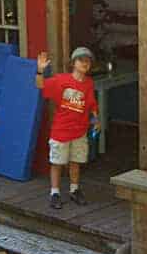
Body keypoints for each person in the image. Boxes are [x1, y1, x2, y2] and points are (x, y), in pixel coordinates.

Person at [36, 47, 100, 209]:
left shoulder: (89, 83)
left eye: (87, 61)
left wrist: (96, 118)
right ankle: (55, 193)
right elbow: (40, 85)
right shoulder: (61, 80)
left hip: (80, 130)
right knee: (57, 163)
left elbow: (91, 104)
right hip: (61, 131)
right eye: (81, 60)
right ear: (73, 63)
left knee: (75, 162)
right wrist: (40, 71)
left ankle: (74, 189)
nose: (85, 64)